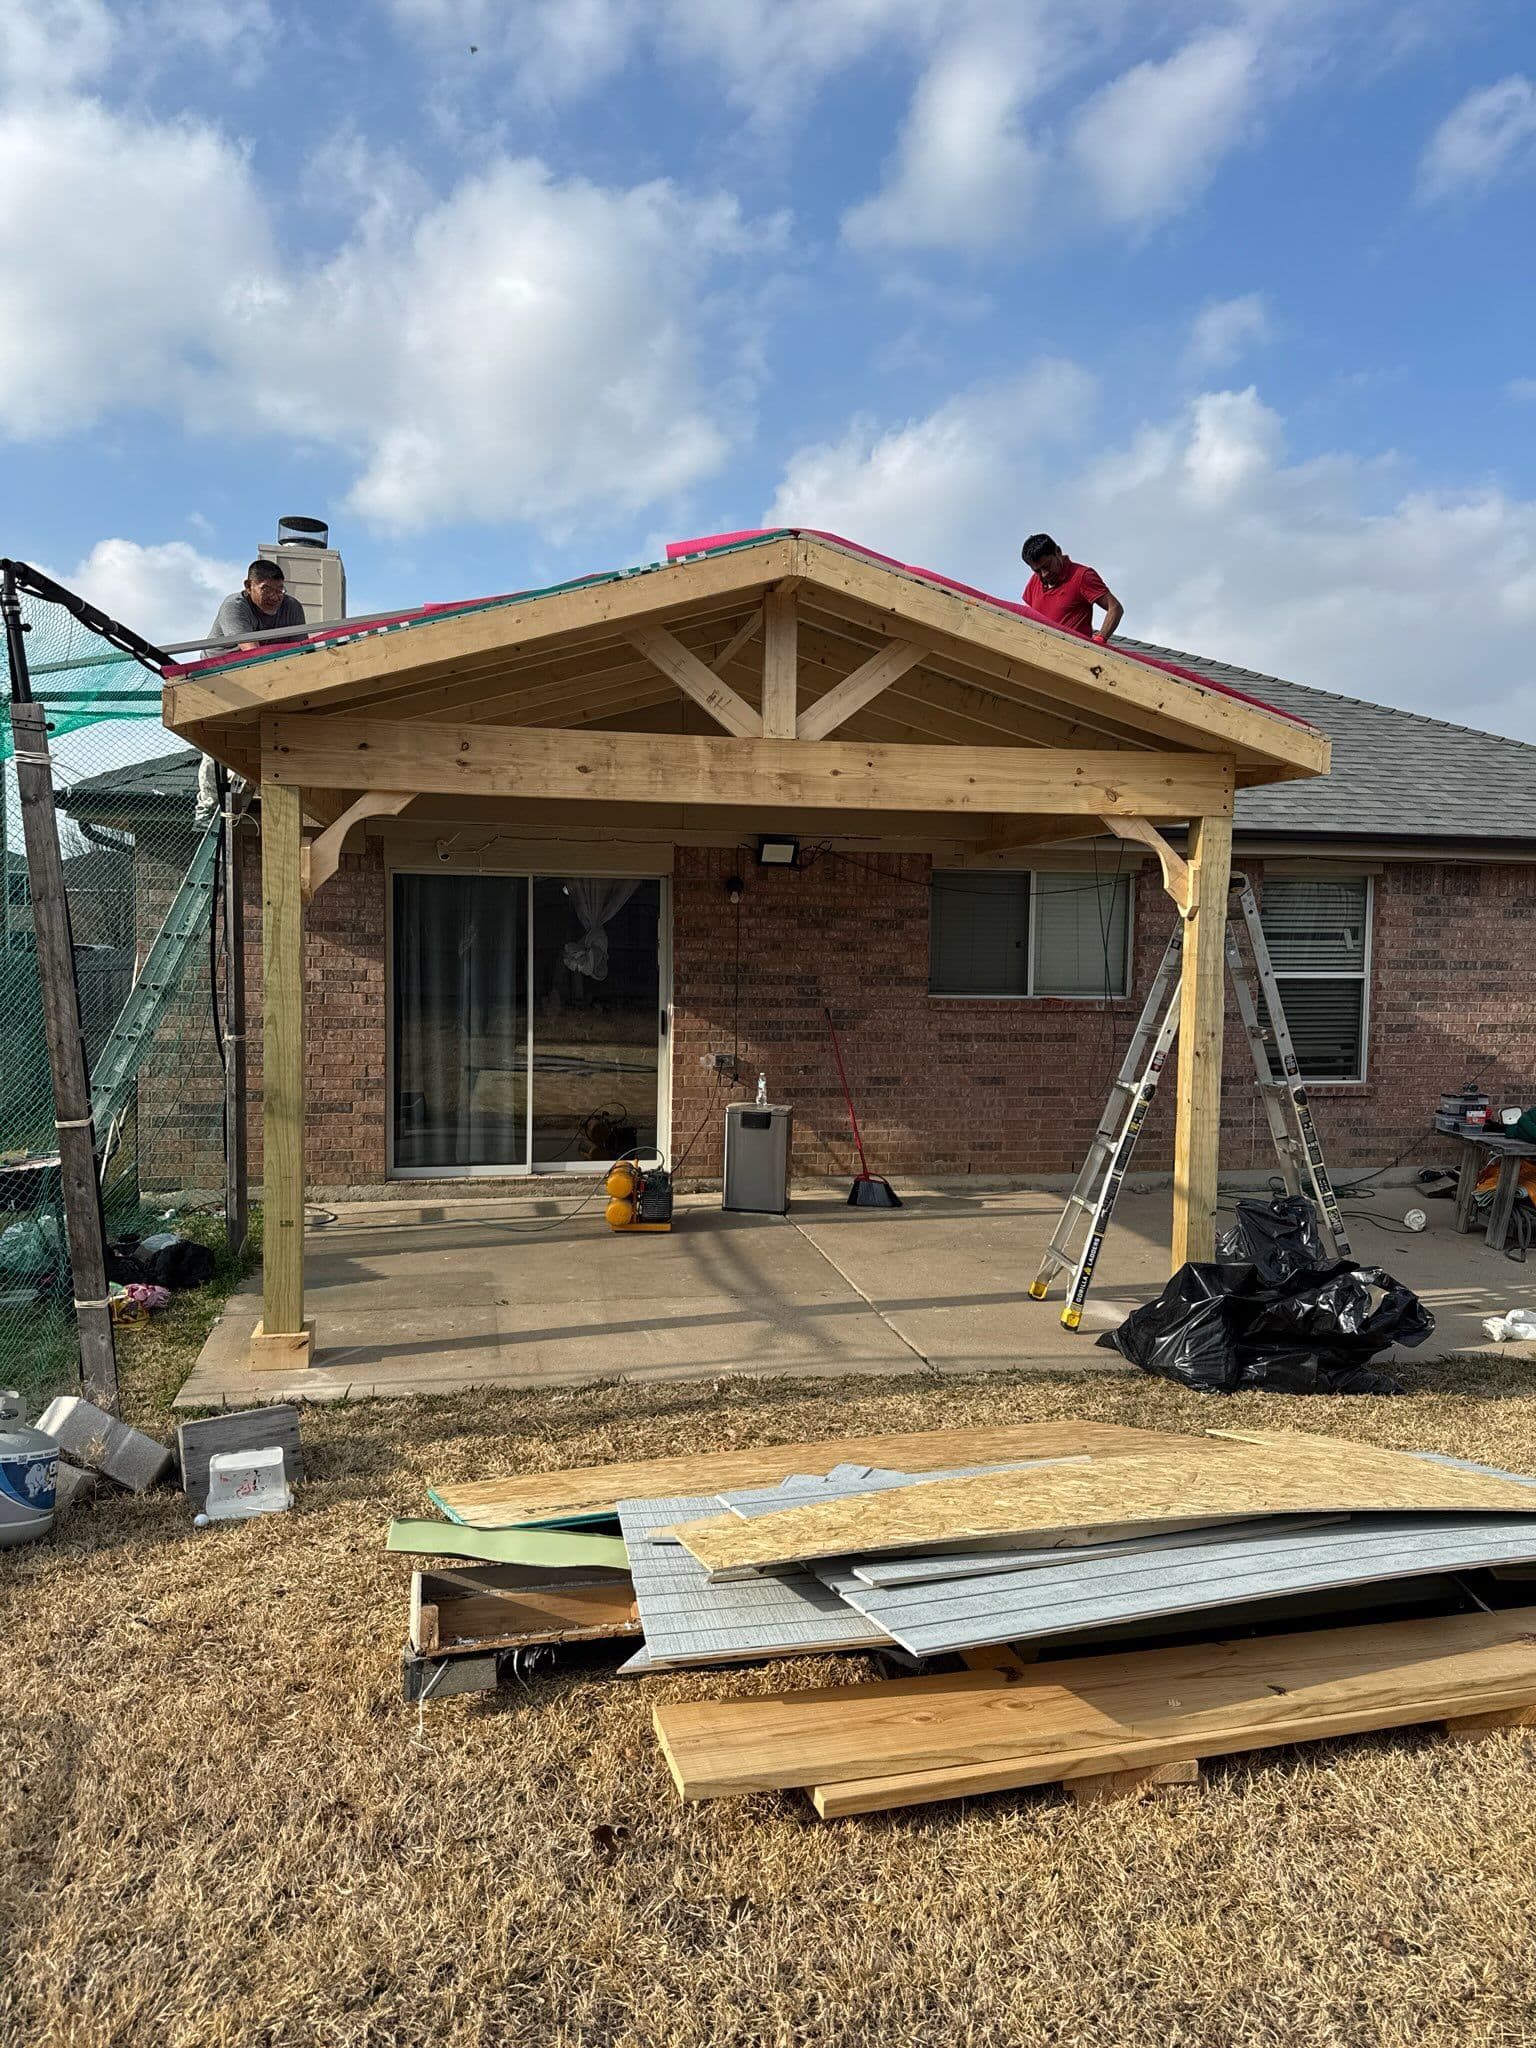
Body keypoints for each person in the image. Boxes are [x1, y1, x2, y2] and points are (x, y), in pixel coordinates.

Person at [1021, 534, 1123, 644]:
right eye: (1037, 570)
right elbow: (1028, 618)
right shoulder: (1034, 581)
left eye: (1047, 565)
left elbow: (1115, 608)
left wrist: (1099, 640)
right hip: (1038, 653)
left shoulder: (1082, 576)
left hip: (1072, 656)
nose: (1044, 574)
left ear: (1058, 552)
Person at [209, 559, 309, 650]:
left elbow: (302, 647)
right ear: (248, 586)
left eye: (279, 590)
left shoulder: (292, 607)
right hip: (219, 666)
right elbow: (251, 651)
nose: (274, 597)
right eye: (267, 590)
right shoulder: (234, 606)